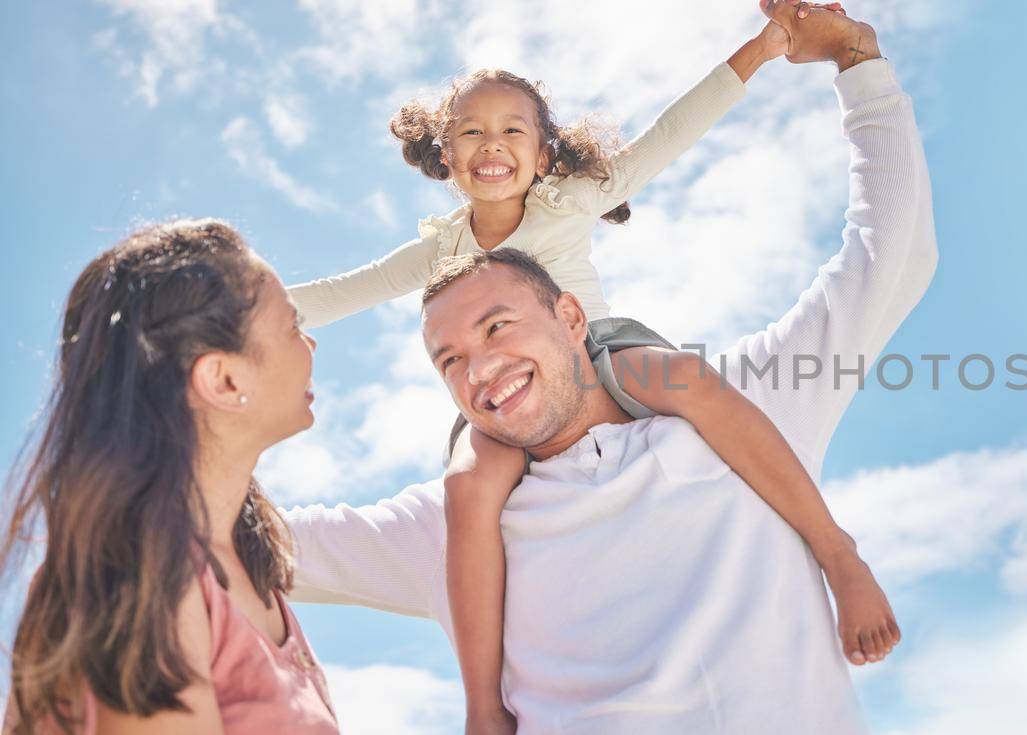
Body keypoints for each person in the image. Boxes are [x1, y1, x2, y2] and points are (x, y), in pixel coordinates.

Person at [286, 3, 935, 733]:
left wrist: (776, 51)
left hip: (613, 354)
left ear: (542, 152)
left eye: (511, 131)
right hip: (501, 478)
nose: (491, 145)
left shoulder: (575, 213)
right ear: (444, 154)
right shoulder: (442, 264)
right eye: (470, 131)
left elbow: (671, 139)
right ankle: (479, 704)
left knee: (684, 380)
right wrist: (216, 310)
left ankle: (836, 548)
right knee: (467, 487)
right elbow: (340, 294)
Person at [2, 220, 338, 733]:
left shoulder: (248, 567)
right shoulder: (143, 572)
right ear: (224, 380)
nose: (309, 344)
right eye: (292, 327)